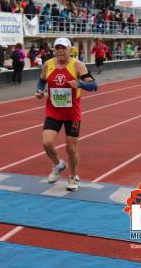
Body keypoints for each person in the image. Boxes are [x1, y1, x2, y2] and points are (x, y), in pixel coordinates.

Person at [35, 37, 98, 192]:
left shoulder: (77, 65)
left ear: (70, 49)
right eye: (57, 48)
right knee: (47, 143)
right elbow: (42, 81)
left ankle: (74, 176)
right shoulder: (48, 64)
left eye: (63, 48)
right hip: (53, 110)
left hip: (72, 112)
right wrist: (39, 91)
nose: (60, 51)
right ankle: (58, 165)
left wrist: (80, 84)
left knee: (71, 148)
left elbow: (94, 85)